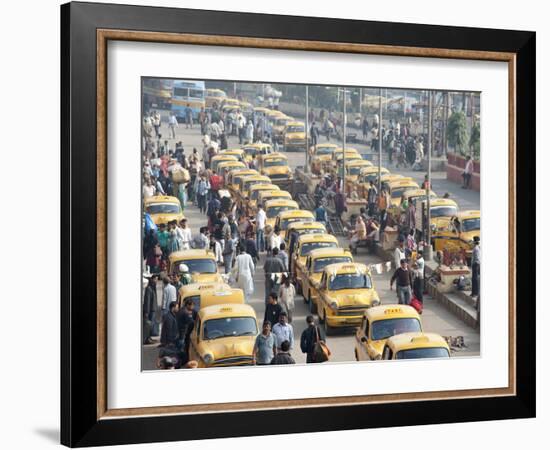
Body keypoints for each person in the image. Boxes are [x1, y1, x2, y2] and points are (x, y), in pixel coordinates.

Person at [143, 274, 159, 341]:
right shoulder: (149, 288)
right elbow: (147, 301)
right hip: (150, 311)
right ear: (152, 279)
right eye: (155, 279)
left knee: (151, 325)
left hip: (153, 310)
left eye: (157, 279)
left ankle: (149, 337)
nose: (156, 281)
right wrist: (146, 312)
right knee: (149, 325)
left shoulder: (153, 287)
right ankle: (147, 338)